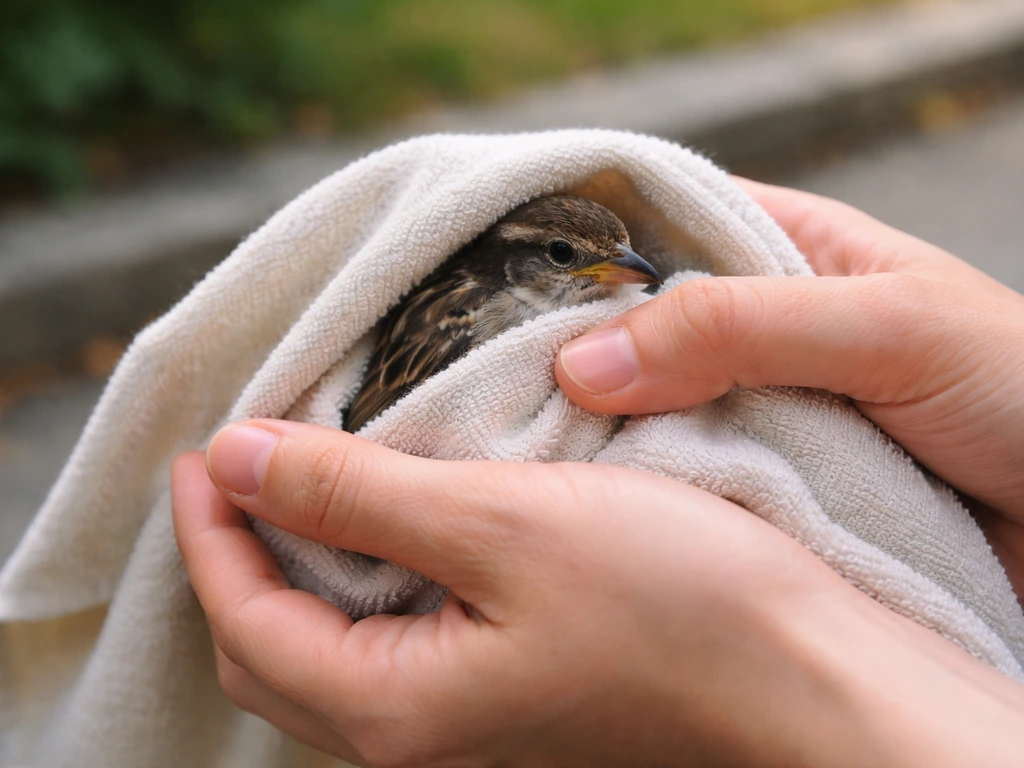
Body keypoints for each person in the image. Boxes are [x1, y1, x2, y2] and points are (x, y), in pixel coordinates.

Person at [171, 179, 1024, 767]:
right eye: (565, 257)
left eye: (614, 257)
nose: (619, 274)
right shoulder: (463, 312)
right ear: (512, 263)